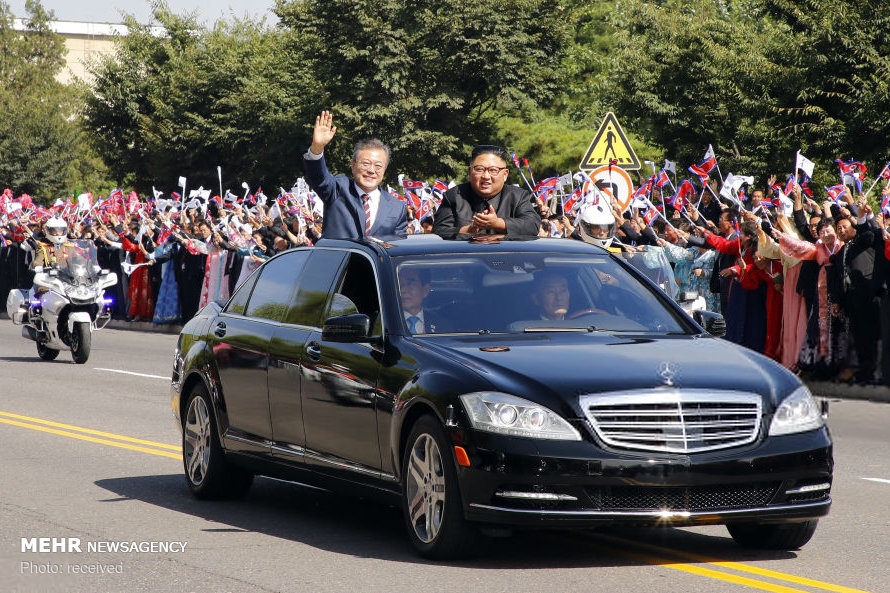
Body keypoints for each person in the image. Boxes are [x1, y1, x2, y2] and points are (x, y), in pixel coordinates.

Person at [303, 110, 407, 239]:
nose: (371, 170)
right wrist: (317, 147)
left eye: (378, 166)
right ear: (353, 165)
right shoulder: (338, 189)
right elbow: (319, 177)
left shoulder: (397, 207)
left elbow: (398, 247)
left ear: (384, 170)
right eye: (366, 163)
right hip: (338, 259)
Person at [433, 145, 540, 239]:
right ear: (470, 172)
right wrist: (469, 230)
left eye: (493, 170)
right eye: (479, 169)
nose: (486, 176)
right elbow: (438, 232)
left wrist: (497, 223)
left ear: (505, 174)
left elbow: (532, 226)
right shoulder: (454, 196)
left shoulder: (517, 196)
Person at [397, 267, 448, 334]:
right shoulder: (385, 322)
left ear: (425, 290)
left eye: (410, 283)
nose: (403, 290)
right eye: (399, 283)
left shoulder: (441, 324)